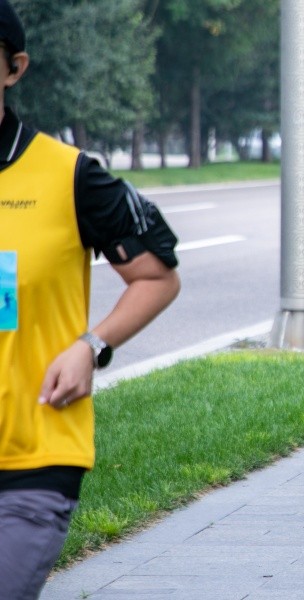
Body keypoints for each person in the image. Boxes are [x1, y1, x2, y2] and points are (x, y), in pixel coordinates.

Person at [0, 2, 181, 597]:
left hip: (32, 456)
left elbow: (157, 276)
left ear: (14, 68)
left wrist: (91, 345)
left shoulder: (69, 174)